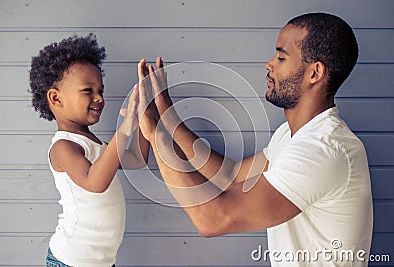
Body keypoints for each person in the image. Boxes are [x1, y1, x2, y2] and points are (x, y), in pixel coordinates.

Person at [137, 12, 373, 266]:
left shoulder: (324, 150)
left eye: (281, 57)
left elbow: (214, 220)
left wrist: (155, 136)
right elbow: (229, 175)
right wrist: (168, 116)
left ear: (315, 73)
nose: (269, 64)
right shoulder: (291, 135)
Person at [29, 34, 150, 267]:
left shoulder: (97, 144)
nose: (99, 98)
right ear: (56, 98)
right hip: (71, 260)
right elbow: (94, 183)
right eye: (88, 90)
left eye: (101, 90)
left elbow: (137, 158)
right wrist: (124, 130)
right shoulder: (63, 147)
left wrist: (144, 117)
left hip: (100, 262)